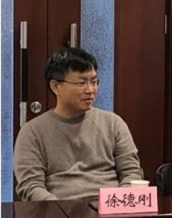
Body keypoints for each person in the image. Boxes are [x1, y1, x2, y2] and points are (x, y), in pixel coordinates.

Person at [14, 47, 144, 201]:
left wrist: (120, 202)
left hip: (110, 207)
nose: (90, 90)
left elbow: (131, 172)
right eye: (81, 83)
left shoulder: (113, 123)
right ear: (55, 86)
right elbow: (31, 186)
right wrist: (60, 209)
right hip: (59, 210)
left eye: (94, 82)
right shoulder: (32, 132)